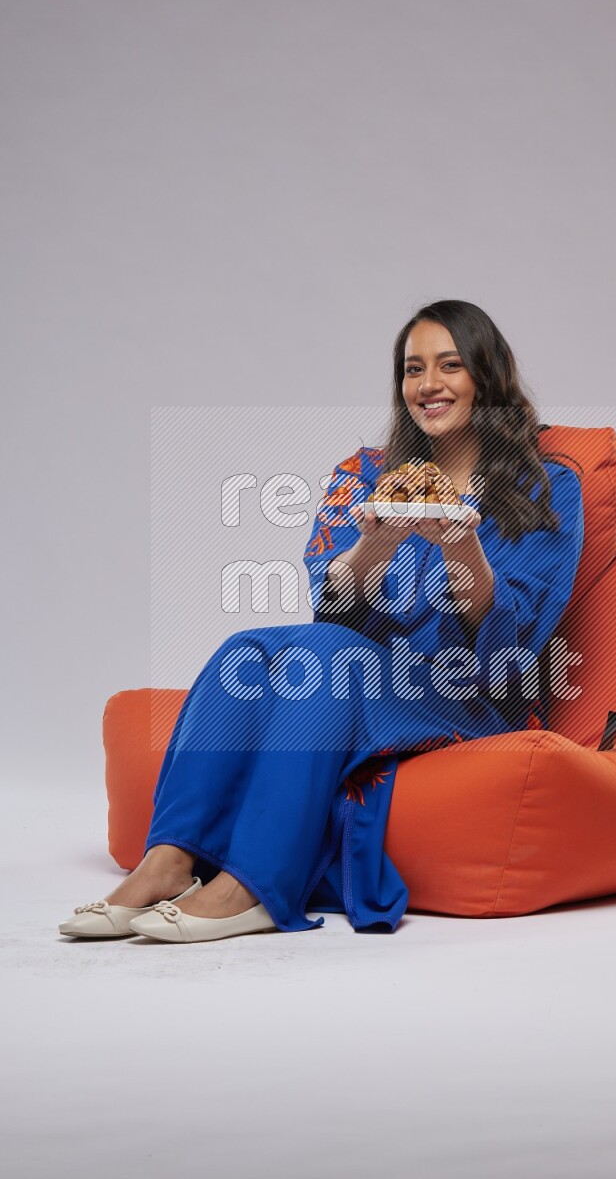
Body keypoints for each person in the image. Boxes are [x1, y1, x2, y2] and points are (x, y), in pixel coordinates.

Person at [59, 299, 585, 943]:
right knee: (248, 649)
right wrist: (373, 543)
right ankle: (168, 860)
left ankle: (253, 886)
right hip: (373, 670)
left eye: (450, 365)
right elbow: (330, 604)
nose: (428, 385)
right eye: (413, 369)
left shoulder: (548, 484)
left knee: (329, 666)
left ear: (488, 375)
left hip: (470, 688)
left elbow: (516, 632)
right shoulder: (366, 475)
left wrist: (461, 546)